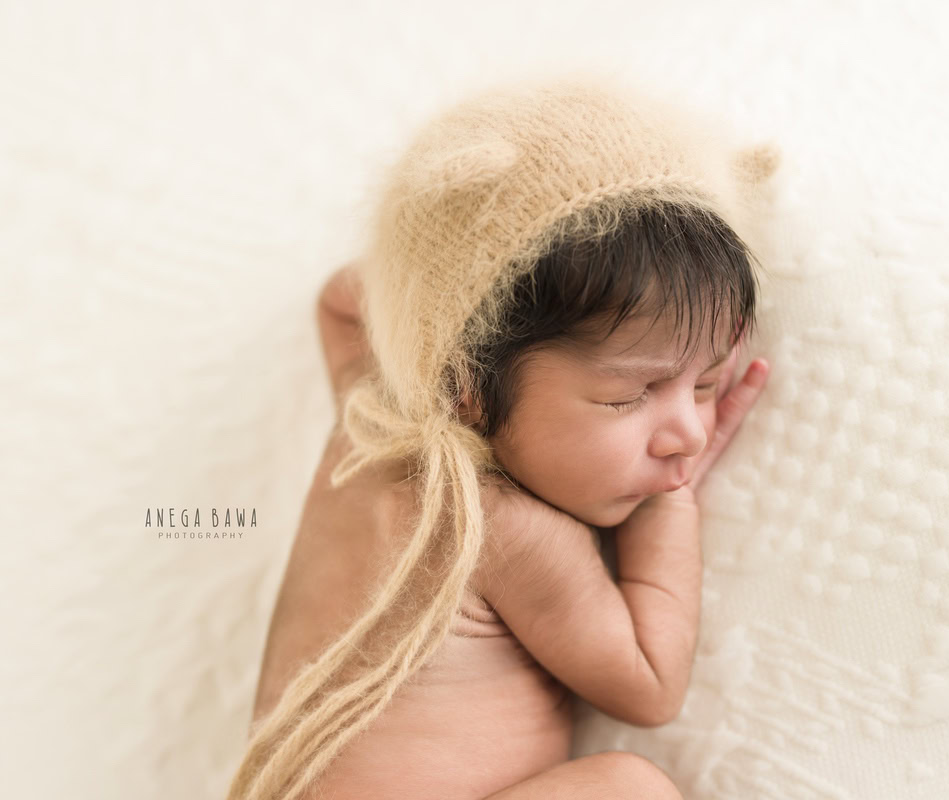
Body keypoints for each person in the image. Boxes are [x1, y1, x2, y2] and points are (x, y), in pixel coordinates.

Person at [226, 73, 778, 800]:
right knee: (632, 788)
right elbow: (650, 685)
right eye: (629, 396)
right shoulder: (506, 531)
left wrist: (449, 276)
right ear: (467, 384)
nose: (686, 434)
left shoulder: (368, 421)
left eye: (704, 385)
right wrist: (671, 503)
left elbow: (340, 300)